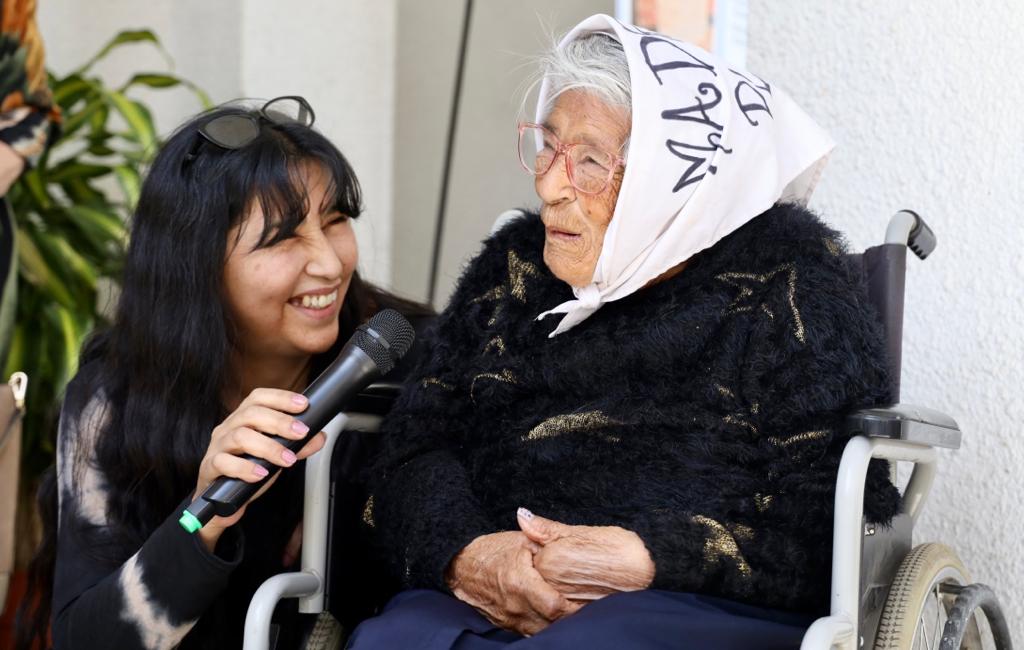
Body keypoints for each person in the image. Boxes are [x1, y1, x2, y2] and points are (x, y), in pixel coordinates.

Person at [351, 15, 901, 649]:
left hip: (693, 607)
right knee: (394, 638)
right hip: (494, 593)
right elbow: (413, 450)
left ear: (675, 174)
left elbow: (832, 520)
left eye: (590, 160)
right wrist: (467, 554)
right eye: (547, 145)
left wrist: (655, 558)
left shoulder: (789, 284)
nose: (549, 185)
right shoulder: (514, 271)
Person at [15, 96, 426, 649]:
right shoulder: (114, 398)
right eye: (283, 238)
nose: (330, 263)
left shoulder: (407, 361)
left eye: (335, 221)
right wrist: (201, 518)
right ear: (198, 265)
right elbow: (87, 641)